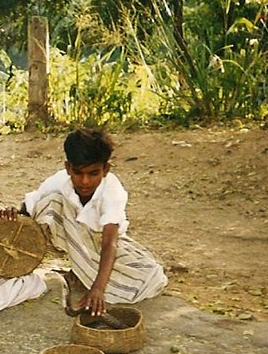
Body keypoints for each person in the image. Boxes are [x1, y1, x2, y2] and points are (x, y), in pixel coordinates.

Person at [15, 128, 167, 317]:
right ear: (68, 167)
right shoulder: (60, 181)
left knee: (144, 279)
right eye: (78, 173)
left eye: (93, 173)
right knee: (51, 201)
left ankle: (82, 274)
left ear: (106, 170)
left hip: (103, 242)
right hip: (74, 238)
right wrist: (13, 215)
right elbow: (30, 205)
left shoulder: (113, 191)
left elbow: (109, 242)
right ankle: (81, 272)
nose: (85, 181)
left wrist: (98, 289)